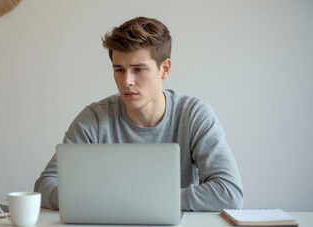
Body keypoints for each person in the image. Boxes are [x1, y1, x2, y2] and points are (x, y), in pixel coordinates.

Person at [34, 17, 243, 211]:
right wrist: (97, 200)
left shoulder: (194, 115)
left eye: (139, 70)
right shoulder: (94, 119)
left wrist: (138, 200)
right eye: (119, 70)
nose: (127, 82)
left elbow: (229, 193)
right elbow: (45, 185)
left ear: (165, 69)